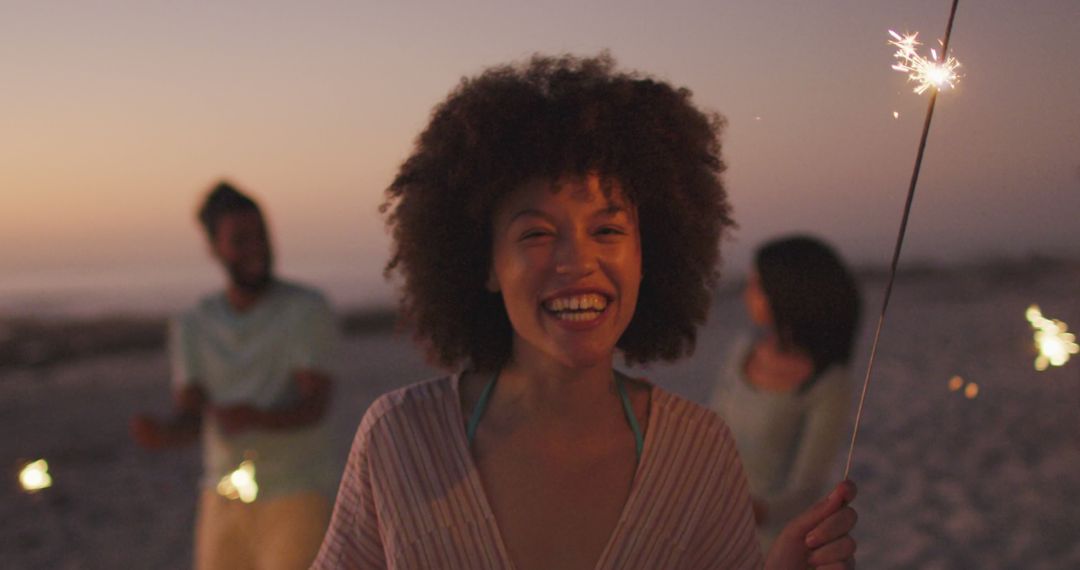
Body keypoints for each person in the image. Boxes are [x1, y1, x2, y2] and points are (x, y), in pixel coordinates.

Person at [313, 54, 857, 569]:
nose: (578, 261)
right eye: (537, 232)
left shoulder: (697, 452)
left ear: (649, 255)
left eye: (607, 230)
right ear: (484, 265)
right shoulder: (400, 439)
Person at [130, 181, 338, 570]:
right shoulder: (193, 325)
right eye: (241, 239)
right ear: (214, 249)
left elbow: (316, 405)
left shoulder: (306, 310)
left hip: (297, 494)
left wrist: (255, 417)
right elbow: (191, 416)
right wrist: (161, 434)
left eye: (261, 235)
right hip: (222, 497)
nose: (256, 247)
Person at [710, 235, 861, 551]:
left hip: (769, 540)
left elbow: (807, 489)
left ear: (787, 294)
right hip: (711, 519)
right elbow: (713, 428)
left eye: (756, 285)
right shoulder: (743, 350)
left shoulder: (828, 383)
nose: (745, 294)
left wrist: (750, 512)